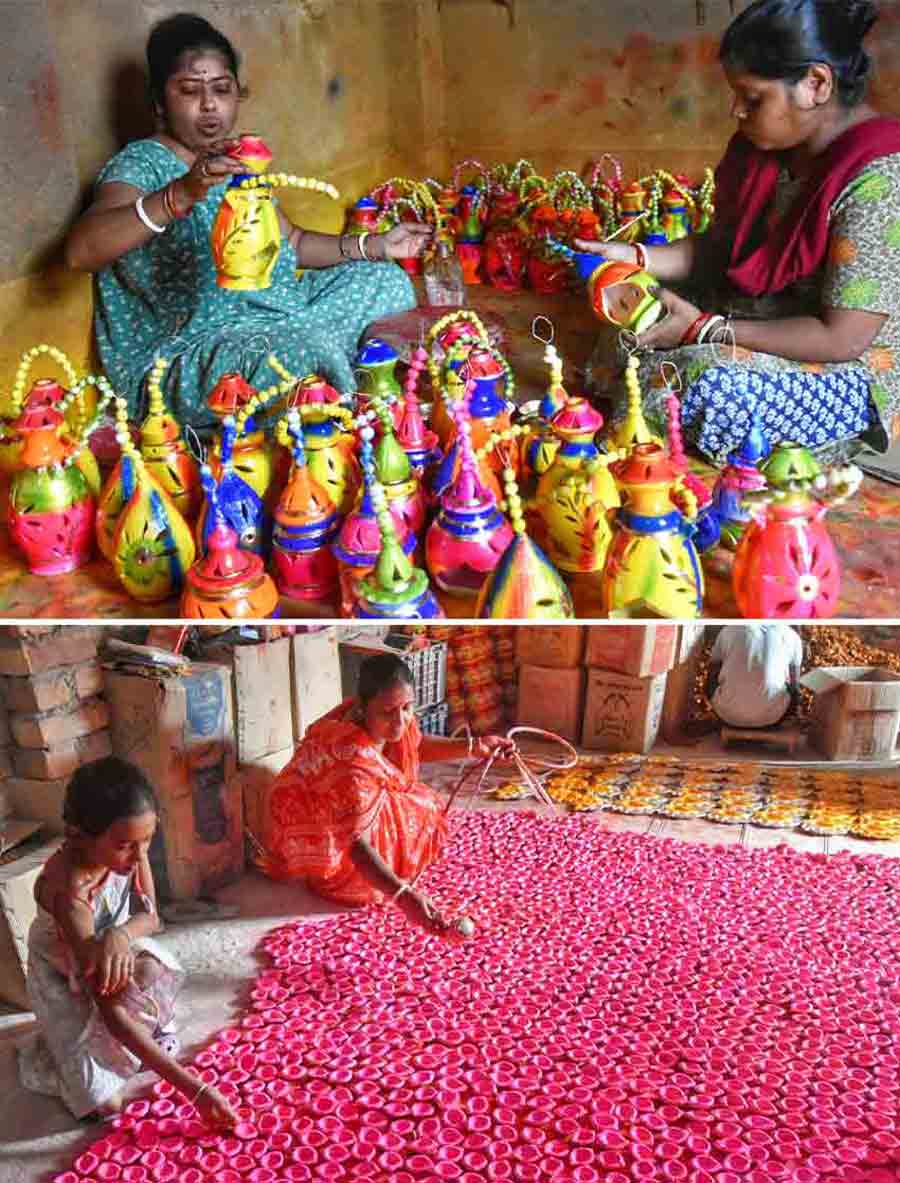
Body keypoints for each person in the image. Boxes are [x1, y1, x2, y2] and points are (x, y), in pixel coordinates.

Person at [64, 13, 431, 429]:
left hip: (276, 312)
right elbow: (81, 252)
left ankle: (313, 367)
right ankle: (328, 386)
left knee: (383, 281)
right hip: (195, 347)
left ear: (238, 95)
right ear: (158, 101)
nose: (209, 105)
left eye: (222, 89)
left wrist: (378, 245)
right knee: (292, 352)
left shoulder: (235, 161)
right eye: (189, 91)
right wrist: (179, 195)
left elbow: (291, 240)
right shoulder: (141, 164)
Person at [578, 0, 900, 464]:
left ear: (816, 84)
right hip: (758, 316)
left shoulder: (880, 179)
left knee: (710, 385)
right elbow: (721, 250)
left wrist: (705, 329)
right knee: (629, 317)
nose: (736, 112)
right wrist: (635, 258)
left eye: (752, 98)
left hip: (841, 365)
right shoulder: (772, 151)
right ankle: (657, 388)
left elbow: (842, 338)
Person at [17, 757, 236, 1127]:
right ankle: (50, 1053)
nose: (138, 856)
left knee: (152, 968)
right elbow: (111, 1012)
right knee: (106, 1106)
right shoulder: (71, 893)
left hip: (108, 945)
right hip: (64, 968)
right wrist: (194, 1090)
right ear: (79, 836)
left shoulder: (132, 850)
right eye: (124, 846)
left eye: (146, 841)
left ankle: (119, 1042)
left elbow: (151, 917)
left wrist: (119, 935)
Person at [257, 653, 513, 930]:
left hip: (350, 819)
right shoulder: (350, 757)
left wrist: (476, 746)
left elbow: (414, 744)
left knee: (423, 803)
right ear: (361, 708)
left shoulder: (389, 715)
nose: (400, 721)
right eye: (388, 712)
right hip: (337, 855)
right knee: (418, 808)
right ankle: (348, 882)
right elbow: (357, 845)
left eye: (407, 708)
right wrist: (404, 897)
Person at [706, 624, 804, 728]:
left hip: (727, 715)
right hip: (773, 717)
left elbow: (712, 674)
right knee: (792, 690)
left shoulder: (728, 630)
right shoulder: (793, 637)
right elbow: (795, 687)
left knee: (713, 679)